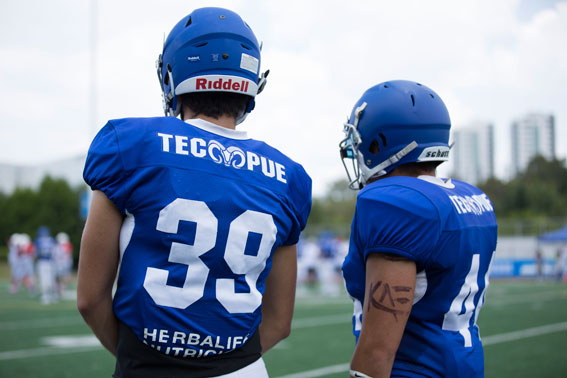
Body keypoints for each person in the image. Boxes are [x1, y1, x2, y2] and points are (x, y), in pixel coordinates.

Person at [77, 7, 311, 378]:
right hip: (243, 369)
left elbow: (90, 299)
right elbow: (280, 322)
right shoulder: (289, 176)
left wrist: (136, 357)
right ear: (251, 81)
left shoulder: (131, 144)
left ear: (173, 73)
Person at [339, 80, 498, 378]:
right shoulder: (473, 198)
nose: (356, 149)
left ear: (378, 142)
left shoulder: (395, 203)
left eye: (360, 140)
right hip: (465, 363)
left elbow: (378, 349)